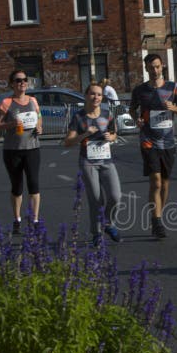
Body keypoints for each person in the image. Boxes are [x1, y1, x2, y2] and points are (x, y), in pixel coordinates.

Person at [129, 53, 177, 239]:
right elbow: (132, 109)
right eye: (151, 67)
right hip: (148, 140)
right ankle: (157, 220)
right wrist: (136, 118)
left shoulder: (173, 87)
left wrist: (174, 108)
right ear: (145, 69)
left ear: (162, 67)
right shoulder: (140, 91)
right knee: (156, 180)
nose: (154, 70)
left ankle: (158, 214)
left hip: (168, 141)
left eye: (157, 66)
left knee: (166, 183)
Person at [63, 83, 122, 245]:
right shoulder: (79, 117)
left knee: (116, 196)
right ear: (86, 96)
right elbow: (67, 142)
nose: (96, 97)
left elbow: (113, 133)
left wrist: (112, 137)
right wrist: (84, 134)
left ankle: (108, 223)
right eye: (92, 94)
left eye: (99, 95)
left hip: (106, 160)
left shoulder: (107, 114)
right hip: (88, 161)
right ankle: (97, 233)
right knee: (96, 198)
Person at [0, 69, 43, 234]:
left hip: (33, 148)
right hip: (13, 150)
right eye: (18, 80)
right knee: (17, 186)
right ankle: (17, 219)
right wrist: (10, 124)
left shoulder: (33, 101)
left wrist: (40, 126)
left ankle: (35, 220)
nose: (22, 83)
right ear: (12, 84)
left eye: (24, 80)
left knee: (34, 184)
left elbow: (39, 116)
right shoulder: (7, 103)